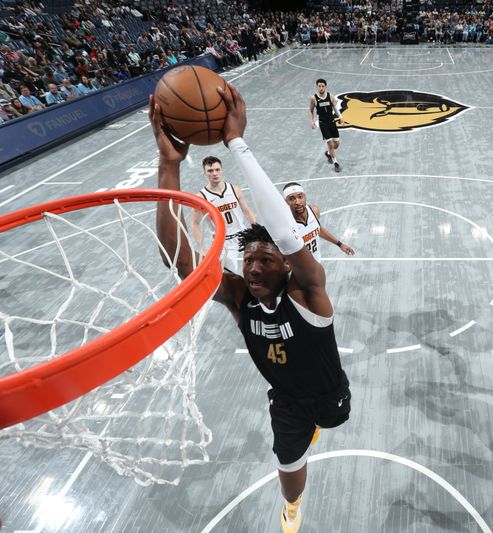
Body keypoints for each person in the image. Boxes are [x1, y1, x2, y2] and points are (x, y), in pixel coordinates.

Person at [151, 84, 351, 533]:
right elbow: (176, 258)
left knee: (334, 421)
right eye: (248, 261)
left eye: (265, 260)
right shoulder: (241, 297)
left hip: (328, 393)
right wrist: (169, 165)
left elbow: (285, 232)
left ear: (286, 263)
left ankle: (316, 429)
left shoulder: (309, 292)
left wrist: (236, 143)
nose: (254, 268)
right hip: (286, 402)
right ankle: (294, 507)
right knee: (288, 470)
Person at [190, 155, 257, 274]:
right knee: (231, 277)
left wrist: (256, 228)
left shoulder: (234, 189)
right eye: (210, 171)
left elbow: (246, 210)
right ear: (204, 173)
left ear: (222, 170)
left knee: (260, 267)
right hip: (222, 242)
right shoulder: (201, 198)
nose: (215, 173)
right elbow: (194, 224)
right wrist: (202, 248)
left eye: (217, 169)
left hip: (243, 235)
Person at [282, 182, 355, 261]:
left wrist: (340, 244)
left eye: (300, 197)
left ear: (305, 197)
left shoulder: (314, 210)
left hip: (316, 262)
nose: (298, 202)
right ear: (286, 202)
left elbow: (318, 229)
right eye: (292, 199)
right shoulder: (286, 224)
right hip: (299, 269)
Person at [309, 79, 346, 173]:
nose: (321, 88)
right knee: (330, 143)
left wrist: (341, 117)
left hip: (332, 122)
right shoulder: (313, 98)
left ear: (325, 86)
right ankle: (335, 162)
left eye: (323, 86)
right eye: (319, 86)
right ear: (317, 87)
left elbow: (335, 108)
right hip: (323, 123)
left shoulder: (330, 96)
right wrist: (312, 121)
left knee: (336, 144)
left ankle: (329, 153)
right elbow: (310, 110)